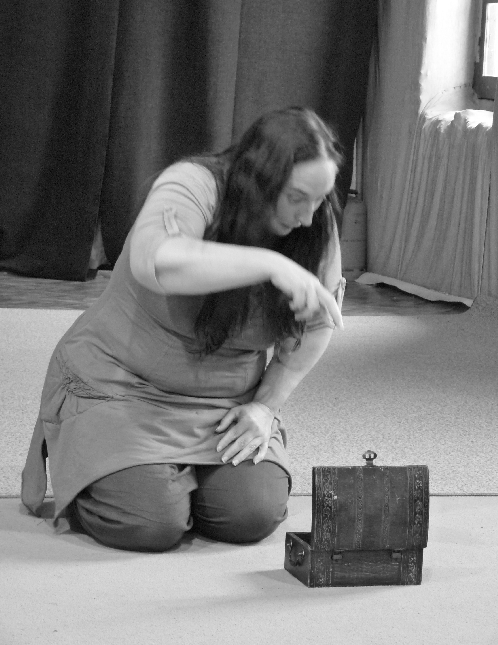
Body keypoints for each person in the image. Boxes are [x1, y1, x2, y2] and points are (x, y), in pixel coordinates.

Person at [21, 106, 346, 552]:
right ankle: (129, 476)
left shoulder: (313, 227)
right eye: (296, 197)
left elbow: (318, 326)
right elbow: (156, 264)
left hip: (225, 404)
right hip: (123, 387)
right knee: (151, 523)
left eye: (319, 199)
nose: (308, 217)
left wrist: (264, 407)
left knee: (251, 515)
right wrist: (270, 264)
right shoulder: (193, 185)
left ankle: (170, 478)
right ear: (260, 178)